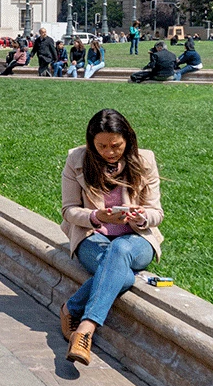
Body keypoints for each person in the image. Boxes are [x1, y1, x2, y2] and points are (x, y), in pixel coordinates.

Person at [59, 109, 163, 365]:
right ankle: (78, 319)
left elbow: (156, 212)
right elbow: (68, 210)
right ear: (91, 142)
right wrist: (97, 217)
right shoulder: (77, 159)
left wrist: (141, 217)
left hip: (137, 239)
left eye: (116, 145)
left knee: (121, 251)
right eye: (102, 146)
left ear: (127, 139)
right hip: (93, 236)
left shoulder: (144, 160)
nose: (109, 152)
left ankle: (82, 326)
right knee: (123, 276)